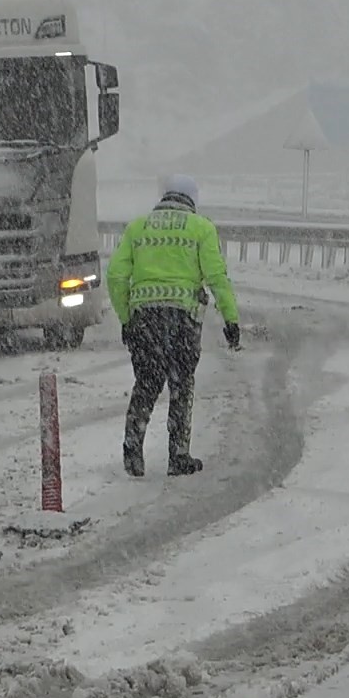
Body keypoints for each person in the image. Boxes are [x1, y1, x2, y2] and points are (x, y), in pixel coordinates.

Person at [106, 174, 240, 478]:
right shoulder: (201, 228)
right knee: (181, 387)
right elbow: (217, 277)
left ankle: (132, 451)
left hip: (145, 320)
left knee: (146, 384)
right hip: (183, 321)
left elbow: (115, 276)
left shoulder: (137, 228)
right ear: (191, 199)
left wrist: (126, 318)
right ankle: (178, 456)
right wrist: (230, 319)